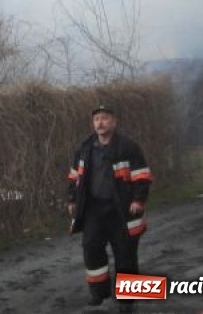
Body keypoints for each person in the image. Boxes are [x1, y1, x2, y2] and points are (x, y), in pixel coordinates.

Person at [67, 105, 153, 312]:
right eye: (96, 119)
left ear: (114, 122)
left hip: (121, 210)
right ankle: (99, 292)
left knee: (125, 254)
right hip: (94, 209)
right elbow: (74, 176)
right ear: (92, 124)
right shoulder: (85, 148)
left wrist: (138, 200)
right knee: (91, 248)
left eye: (105, 119)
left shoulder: (128, 146)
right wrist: (72, 200)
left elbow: (142, 175)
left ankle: (127, 300)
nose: (100, 123)